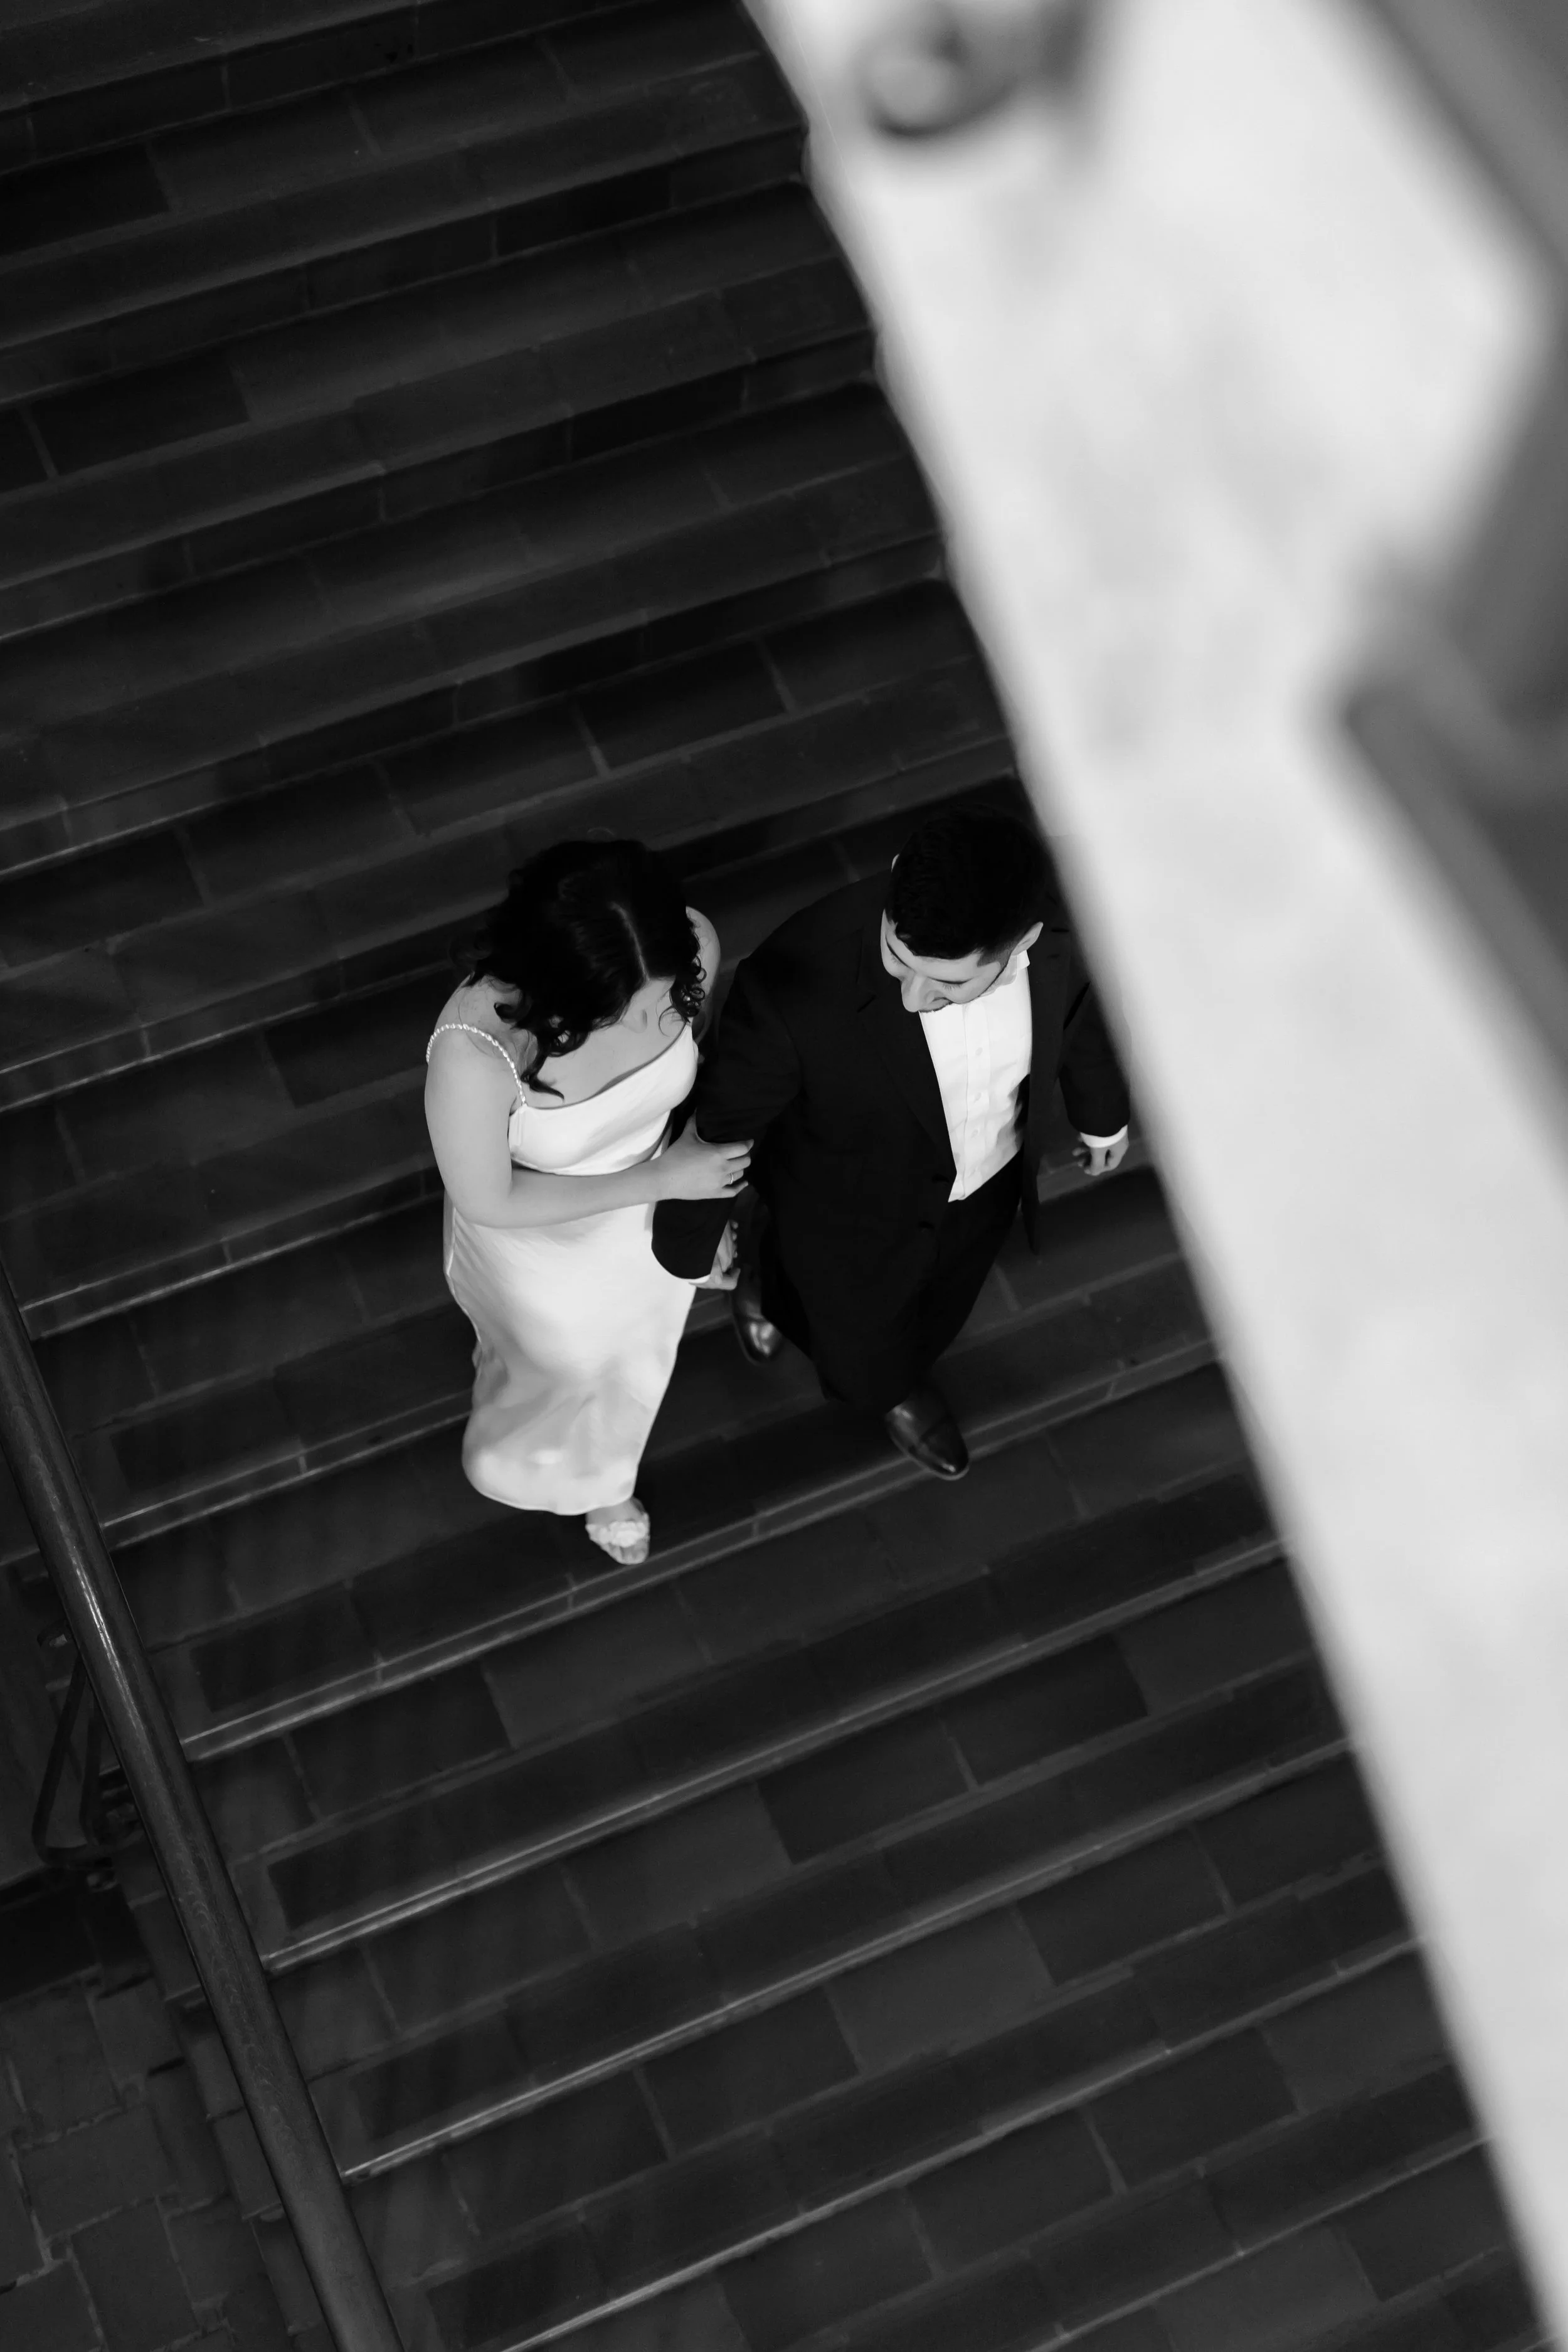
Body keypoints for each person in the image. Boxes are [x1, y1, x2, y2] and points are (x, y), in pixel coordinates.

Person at [652, 803, 1129, 1478]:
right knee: (849, 1329)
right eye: (899, 960)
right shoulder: (792, 980)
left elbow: (1082, 1016)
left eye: (948, 984)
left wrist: (1101, 1113)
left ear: (1021, 944)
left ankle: (871, 1352)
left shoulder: (1074, 919)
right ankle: (859, 1366)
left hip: (983, 1183)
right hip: (839, 1196)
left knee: (943, 1296)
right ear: (899, 874)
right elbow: (725, 1125)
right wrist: (690, 1245)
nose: (911, 997)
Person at [425, 840, 750, 1566]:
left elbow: (685, 1094)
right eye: (623, 1010)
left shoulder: (688, 943)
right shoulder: (475, 1052)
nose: (655, 1023)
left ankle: (608, 1469)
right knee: (564, 1368)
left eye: (667, 1001)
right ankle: (573, 1475)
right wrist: (666, 1185)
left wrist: (697, 1211)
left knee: (640, 1352)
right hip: (544, 1245)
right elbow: (489, 1200)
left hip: (659, 1196)